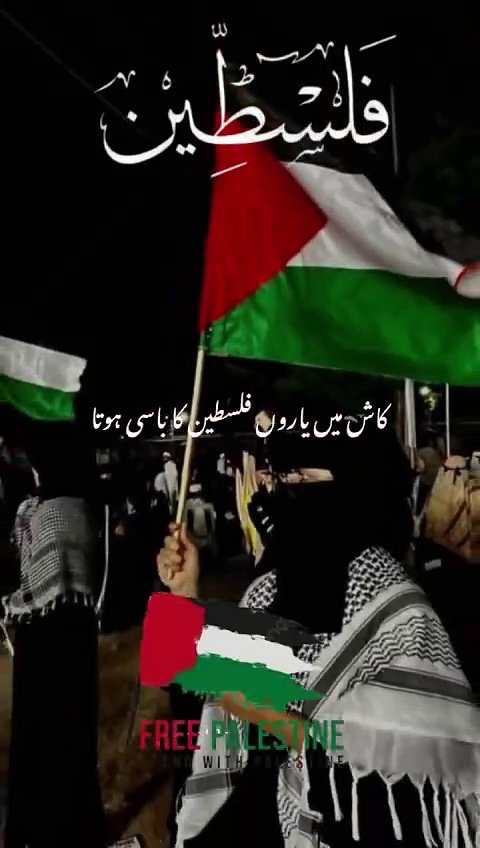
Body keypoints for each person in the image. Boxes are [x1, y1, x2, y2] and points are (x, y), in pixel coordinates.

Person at [157, 419, 479, 846]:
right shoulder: (267, 590)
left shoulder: (399, 616)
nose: (286, 492)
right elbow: (204, 713)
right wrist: (184, 598)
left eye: (303, 479)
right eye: (282, 477)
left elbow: (398, 791)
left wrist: (268, 716)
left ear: (355, 486)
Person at [2, 430, 107, 847]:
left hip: (50, 643)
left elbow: (45, 586)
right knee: (66, 738)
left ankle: (51, 831)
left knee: (49, 740)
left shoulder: (54, 512)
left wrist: (12, 604)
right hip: (67, 640)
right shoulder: (68, 506)